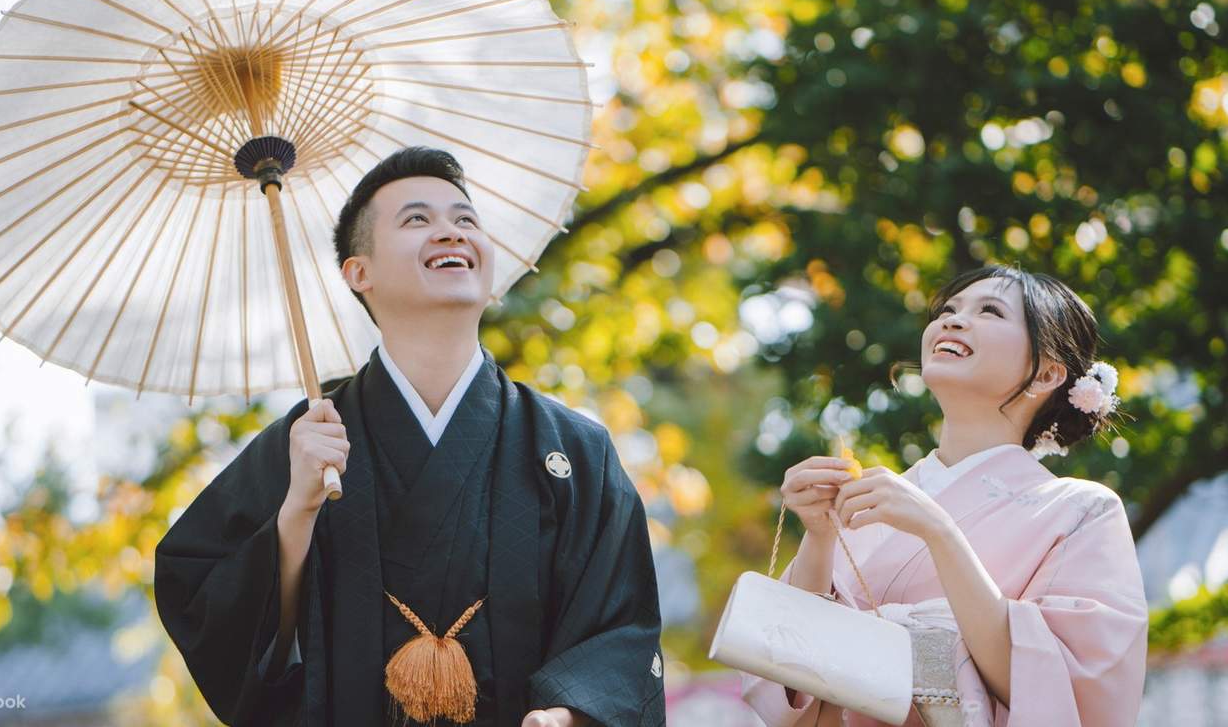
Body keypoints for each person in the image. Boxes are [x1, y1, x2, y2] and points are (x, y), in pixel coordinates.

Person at [154, 147, 665, 727]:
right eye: (418, 219)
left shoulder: (574, 451)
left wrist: (571, 715)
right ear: (359, 272)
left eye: (465, 219)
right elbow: (199, 594)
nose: (451, 232)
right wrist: (296, 511)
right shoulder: (307, 443)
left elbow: (622, 626)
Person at [744, 266, 1147, 726]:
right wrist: (818, 538)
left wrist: (939, 532)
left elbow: (1058, 690)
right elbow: (787, 680)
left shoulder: (1081, 510)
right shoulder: (874, 500)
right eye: (949, 311)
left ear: (1046, 374)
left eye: (990, 311)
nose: (952, 321)